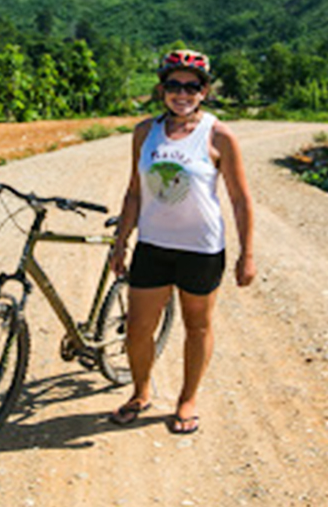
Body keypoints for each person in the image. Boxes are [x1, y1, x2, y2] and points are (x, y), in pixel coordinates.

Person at [107, 49, 255, 435]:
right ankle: (140, 392)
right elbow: (135, 191)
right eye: (174, 85)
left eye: (192, 86)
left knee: (197, 326)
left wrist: (247, 255)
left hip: (201, 249)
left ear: (204, 91)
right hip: (153, 245)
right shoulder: (145, 132)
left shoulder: (219, 135)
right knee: (138, 329)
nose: (182, 93)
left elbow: (240, 199)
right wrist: (121, 241)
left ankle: (187, 399)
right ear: (162, 89)